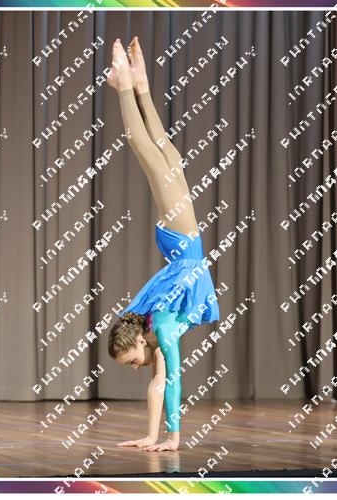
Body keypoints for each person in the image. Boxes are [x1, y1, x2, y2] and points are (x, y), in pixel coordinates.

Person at [106, 37, 220, 452]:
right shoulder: (156, 329)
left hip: (183, 238)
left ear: (139, 342)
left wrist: (174, 438)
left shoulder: (163, 329)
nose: (137, 367)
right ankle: (139, 83)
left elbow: (174, 382)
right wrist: (153, 437)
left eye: (131, 361)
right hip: (180, 240)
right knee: (162, 150)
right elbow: (160, 382)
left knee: (147, 150)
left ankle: (124, 84)